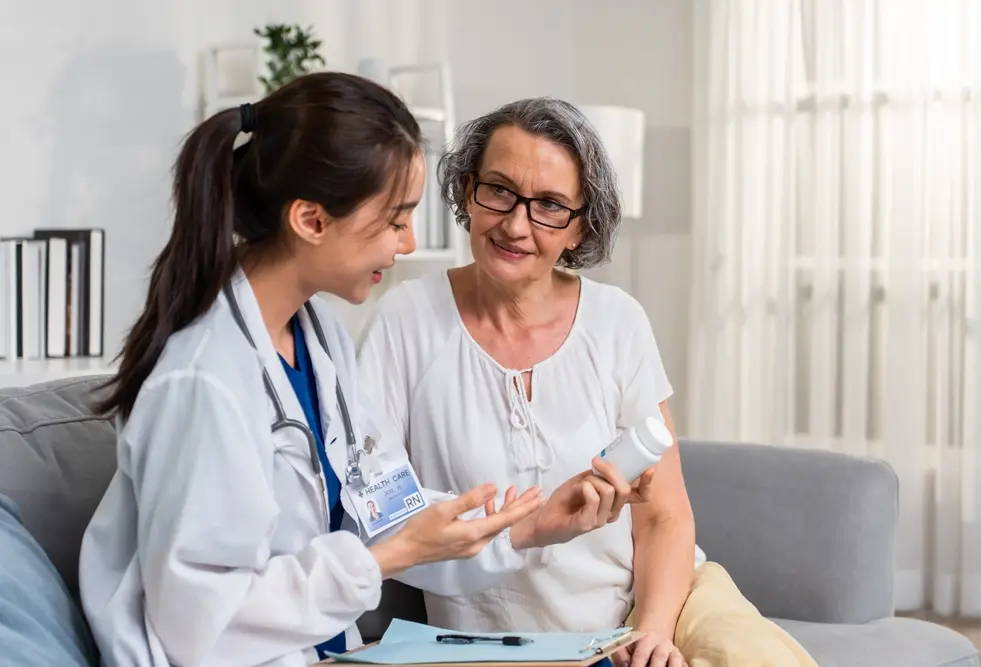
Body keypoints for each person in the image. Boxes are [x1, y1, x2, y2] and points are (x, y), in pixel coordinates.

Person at [78, 75, 651, 667]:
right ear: (312, 220)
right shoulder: (204, 381)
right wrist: (382, 560)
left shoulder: (320, 338)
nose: (406, 243)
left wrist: (527, 527)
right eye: (395, 217)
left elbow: (385, 504)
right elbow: (199, 627)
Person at [356, 98, 820, 667]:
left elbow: (666, 515)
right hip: (503, 642)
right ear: (467, 191)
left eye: (550, 205)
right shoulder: (404, 320)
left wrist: (652, 633)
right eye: (498, 189)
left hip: (657, 604)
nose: (516, 224)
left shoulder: (617, 321)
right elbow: (380, 513)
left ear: (580, 227)